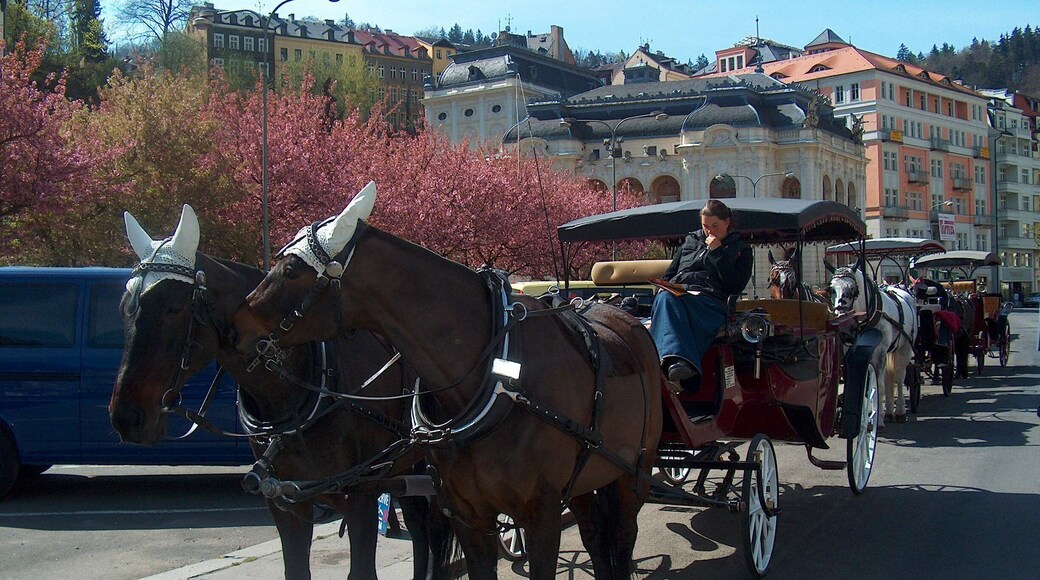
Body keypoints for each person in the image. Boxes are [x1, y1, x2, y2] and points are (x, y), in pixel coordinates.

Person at [650, 199, 753, 387]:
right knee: (665, 295)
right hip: (680, 294)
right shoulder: (691, 241)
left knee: (669, 300)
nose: (710, 231)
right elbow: (670, 273)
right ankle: (671, 362)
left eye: (715, 226)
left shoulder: (741, 249)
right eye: (706, 226)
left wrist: (717, 252)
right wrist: (667, 285)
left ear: (727, 222)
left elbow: (735, 285)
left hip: (711, 301)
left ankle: (677, 361)